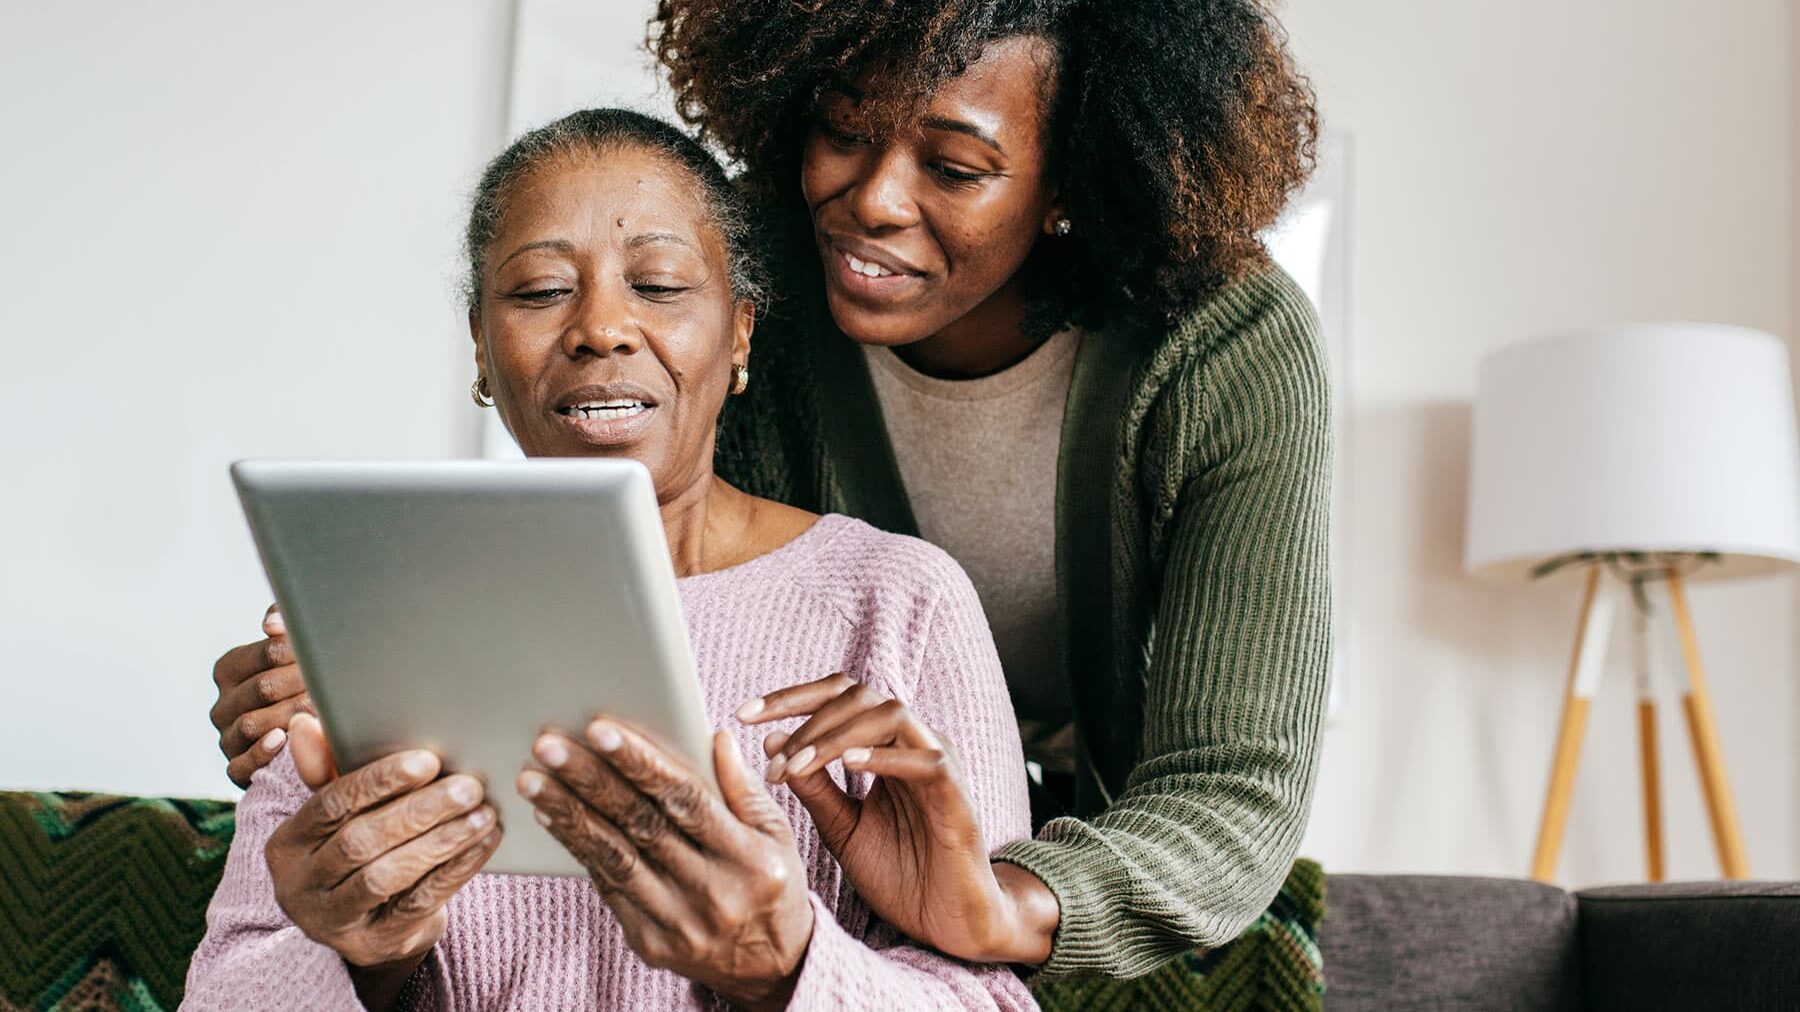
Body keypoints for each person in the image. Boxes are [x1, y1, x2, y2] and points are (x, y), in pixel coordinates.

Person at [212, 0, 1333, 981]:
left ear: (1069, 184)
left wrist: (1005, 902)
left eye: (954, 167)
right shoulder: (753, 292)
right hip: (831, 859)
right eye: (843, 131)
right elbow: (665, 603)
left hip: (1071, 869)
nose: (872, 203)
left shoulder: (1223, 348)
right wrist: (363, 678)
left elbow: (1229, 783)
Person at [184, 108, 1036, 1012]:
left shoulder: (896, 599)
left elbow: (989, 1002)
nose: (602, 328)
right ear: (480, 343)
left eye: (661, 284)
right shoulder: (372, 607)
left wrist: (783, 966)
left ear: (741, 334)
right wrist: (356, 957)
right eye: (541, 291)